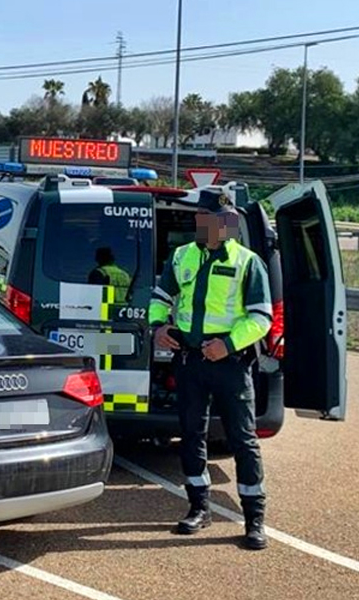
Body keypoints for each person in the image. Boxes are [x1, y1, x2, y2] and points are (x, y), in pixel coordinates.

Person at [148, 189, 273, 550]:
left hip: (230, 364)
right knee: (191, 435)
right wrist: (159, 328)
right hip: (189, 362)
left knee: (243, 440)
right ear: (201, 221)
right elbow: (161, 299)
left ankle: (254, 520)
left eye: (226, 219)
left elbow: (261, 317)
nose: (222, 225)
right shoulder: (182, 256)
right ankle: (199, 508)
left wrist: (228, 345)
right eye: (215, 219)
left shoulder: (248, 262)